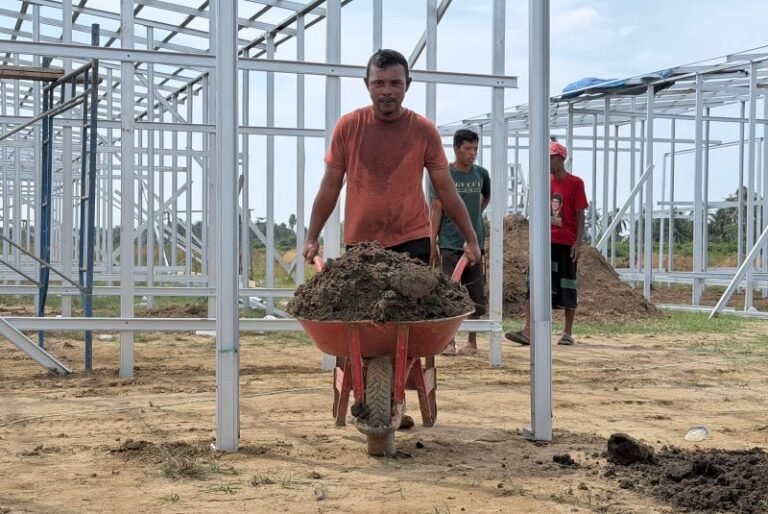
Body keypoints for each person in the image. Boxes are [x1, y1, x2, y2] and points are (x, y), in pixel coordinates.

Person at [301, 49, 481, 267]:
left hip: (412, 242)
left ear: (408, 84)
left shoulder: (423, 130)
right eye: (379, 83)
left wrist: (471, 239)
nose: (387, 91)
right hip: (361, 245)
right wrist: (312, 237)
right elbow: (330, 186)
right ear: (367, 84)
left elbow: (446, 190)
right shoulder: (349, 127)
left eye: (395, 83)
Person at [505, 140, 588, 346]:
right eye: (548, 158)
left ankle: (567, 333)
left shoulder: (575, 183)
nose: (549, 162)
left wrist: (578, 242)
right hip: (545, 243)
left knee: (568, 285)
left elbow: (580, 215)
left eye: (552, 158)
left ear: (561, 159)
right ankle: (528, 331)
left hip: (566, 243)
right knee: (533, 283)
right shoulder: (543, 182)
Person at [431, 129, 490, 356]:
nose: (472, 153)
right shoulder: (445, 175)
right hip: (450, 243)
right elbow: (436, 210)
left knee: (474, 292)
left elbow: (487, 197)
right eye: (467, 149)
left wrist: (473, 216)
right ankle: (449, 342)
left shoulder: (481, 174)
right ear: (456, 149)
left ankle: (472, 342)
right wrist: (432, 242)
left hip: (474, 244)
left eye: (475, 149)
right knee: (450, 293)